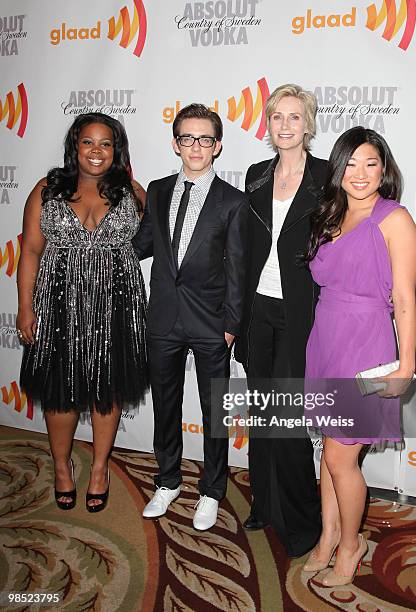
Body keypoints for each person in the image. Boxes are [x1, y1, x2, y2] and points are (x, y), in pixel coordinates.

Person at [303, 126, 416, 586]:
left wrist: (405, 364)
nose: (360, 173)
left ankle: (351, 545)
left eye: (371, 163)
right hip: (326, 340)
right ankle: (330, 535)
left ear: (384, 169)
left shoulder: (395, 219)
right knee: (330, 456)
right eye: (350, 163)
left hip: (367, 346)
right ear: (338, 168)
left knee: (340, 459)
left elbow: (406, 300)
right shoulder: (330, 215)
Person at [17, 112, 148, 513]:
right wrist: (25, 308)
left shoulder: (132, 191)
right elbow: (30, 253)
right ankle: (61, 468)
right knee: (60, 394)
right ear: (75, 146)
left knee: (107, 391)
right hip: (59, 308)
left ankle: (99, 470)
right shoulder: (46, 189)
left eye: (106, 143)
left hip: (116, 306)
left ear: (116, 151)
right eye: (88, 142)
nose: (96, 151)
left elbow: (167, 237)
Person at [132, 103, 248, 531]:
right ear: (175, 143)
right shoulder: (158, 190)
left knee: (214, 410)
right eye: (187, 138)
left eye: (204, 139)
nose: (195, 146)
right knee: (166, 403)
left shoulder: (233, 201)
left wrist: (231, 324)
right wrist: (103, 235)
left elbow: (237, 267)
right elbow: (144, 242)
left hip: (211, 323)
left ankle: (213, 490)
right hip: (162, 317)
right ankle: (167, 480)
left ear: (217, 146)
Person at [234, 84, 326, 557]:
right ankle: (264, 505)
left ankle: (303, 524)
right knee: (262, 410)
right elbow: (245, 248)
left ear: (308, 124)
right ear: (267, 125)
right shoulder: (256, 175)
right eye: (277, 117)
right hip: (258, 311)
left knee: (288, 417)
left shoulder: (328, 176)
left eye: (294, 117)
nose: (285, 126)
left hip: (300, 312)